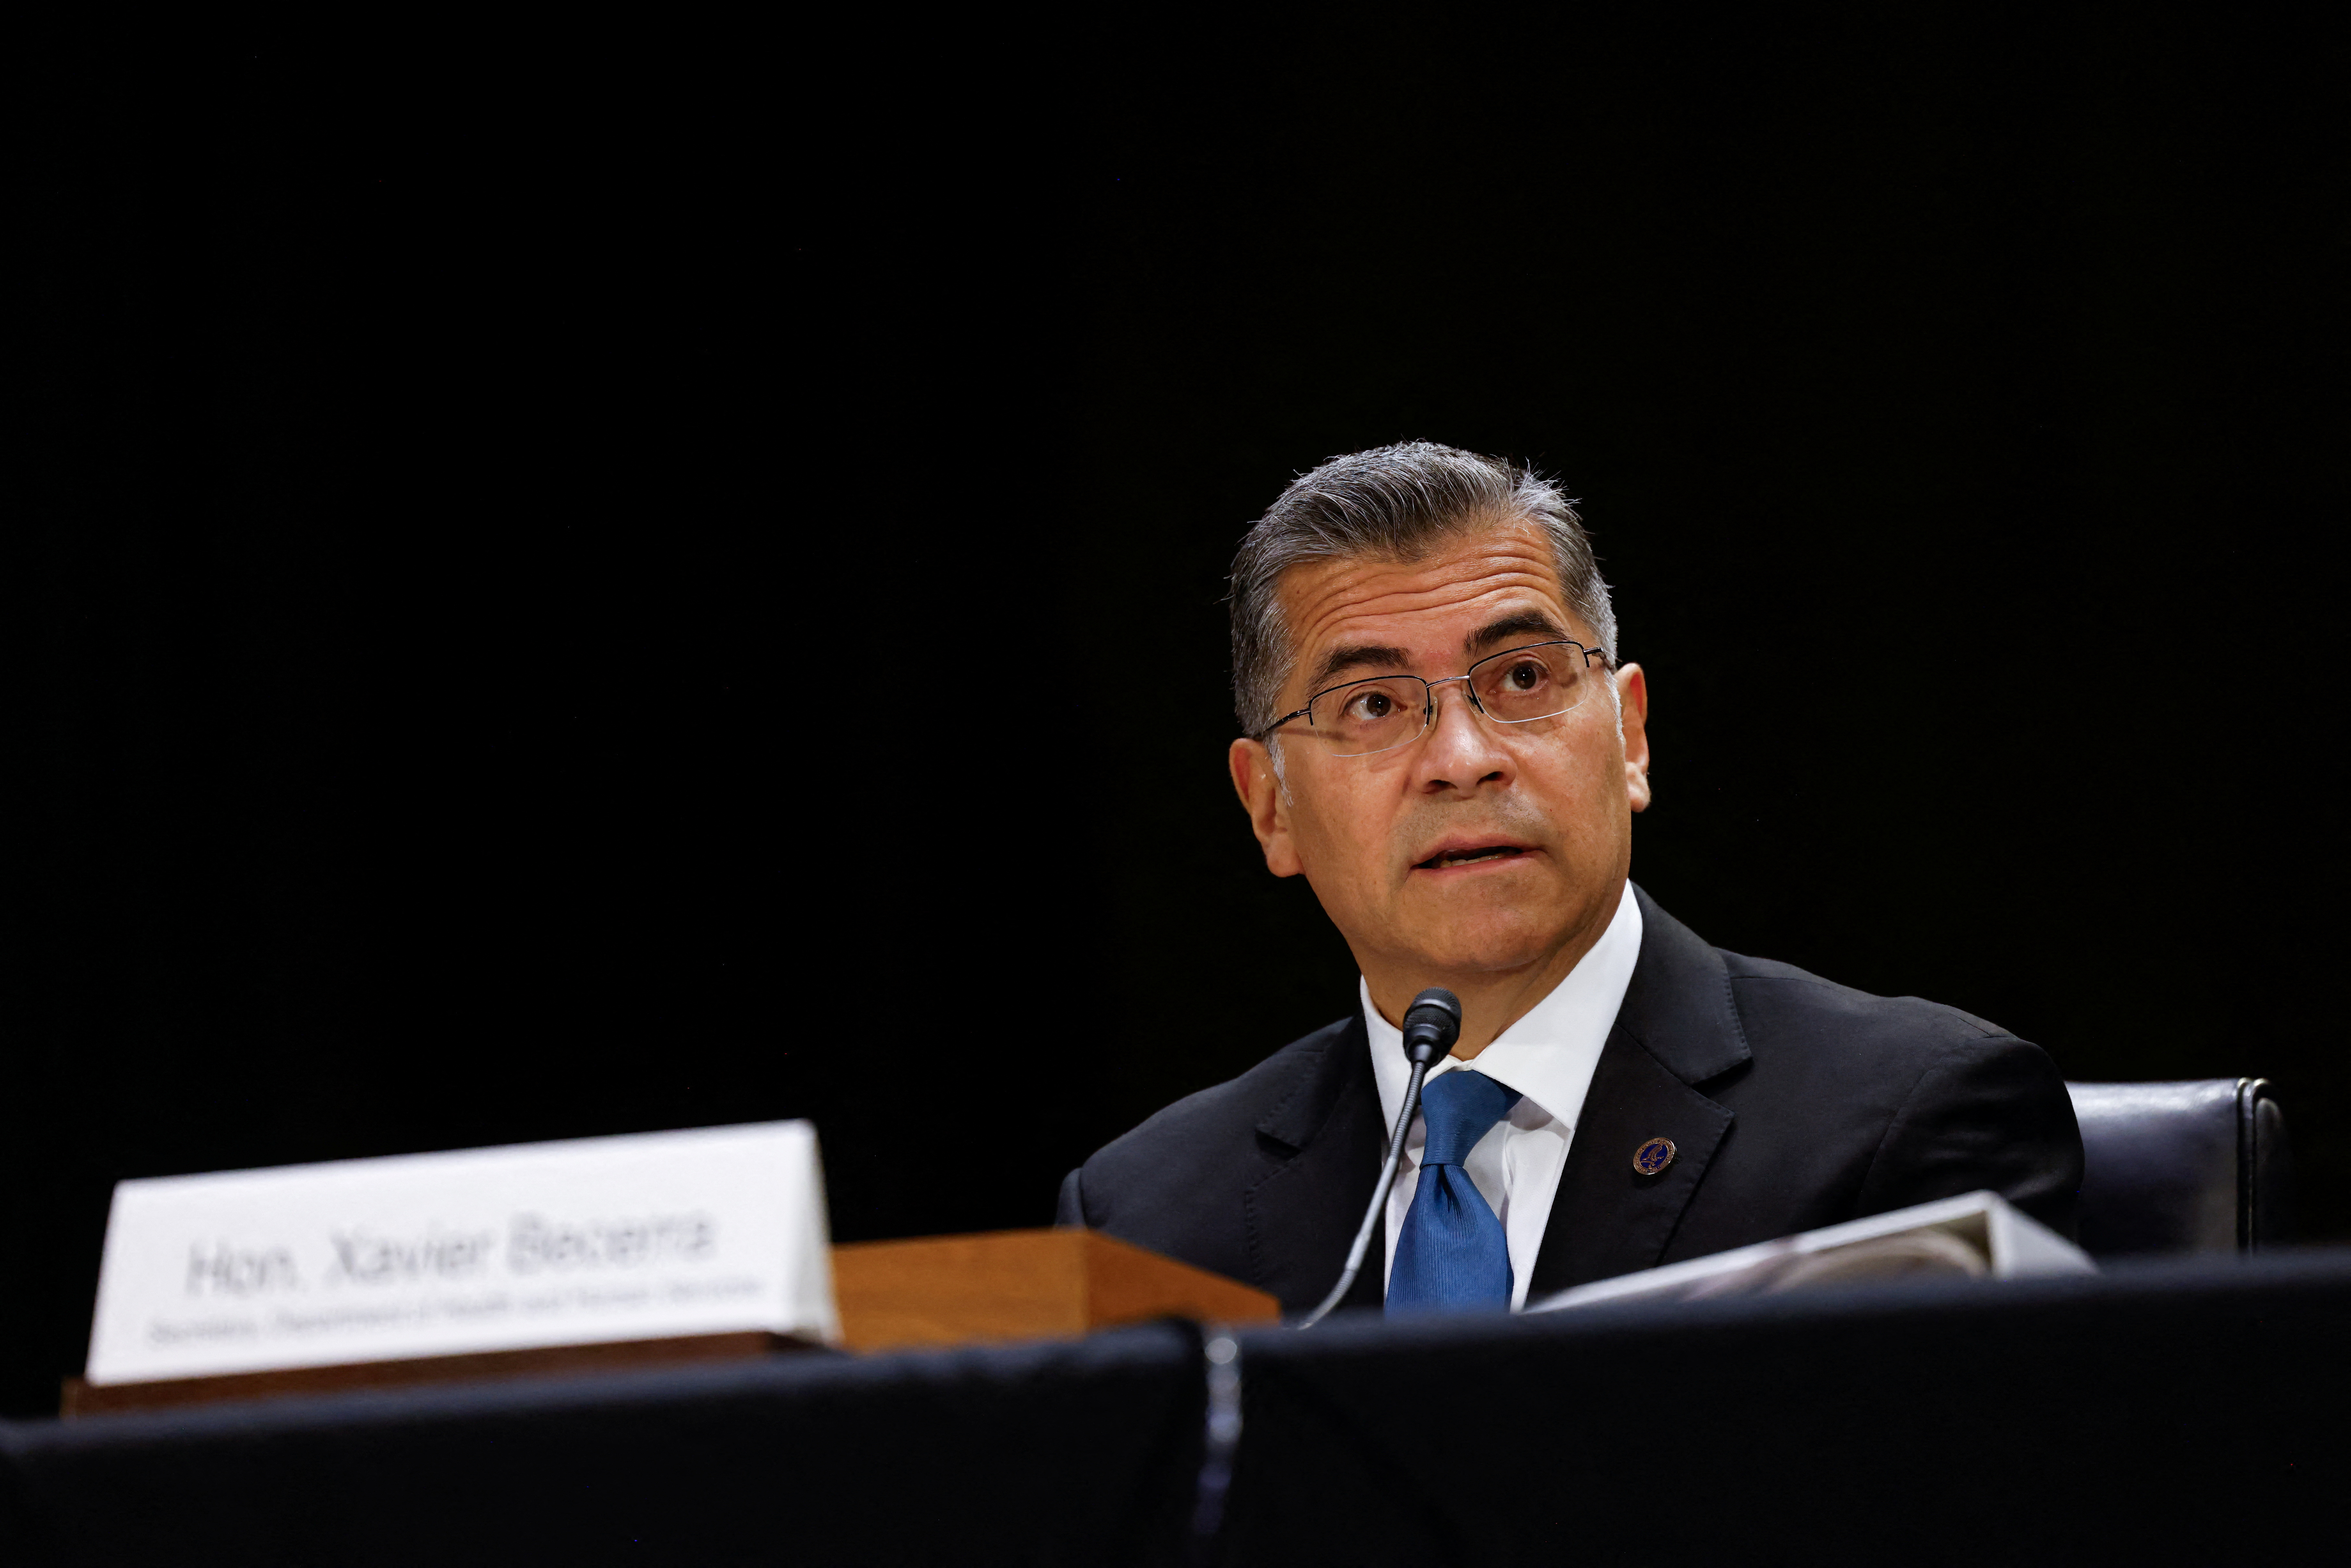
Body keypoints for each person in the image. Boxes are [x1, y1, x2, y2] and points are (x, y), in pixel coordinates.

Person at [1055, 441, 2082, 1316]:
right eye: (1372, 705)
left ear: (1630, 735)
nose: (1461, 756)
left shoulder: (1905, 1128)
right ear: (1269, 805)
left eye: (1524, 679)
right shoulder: (1144, 1221)